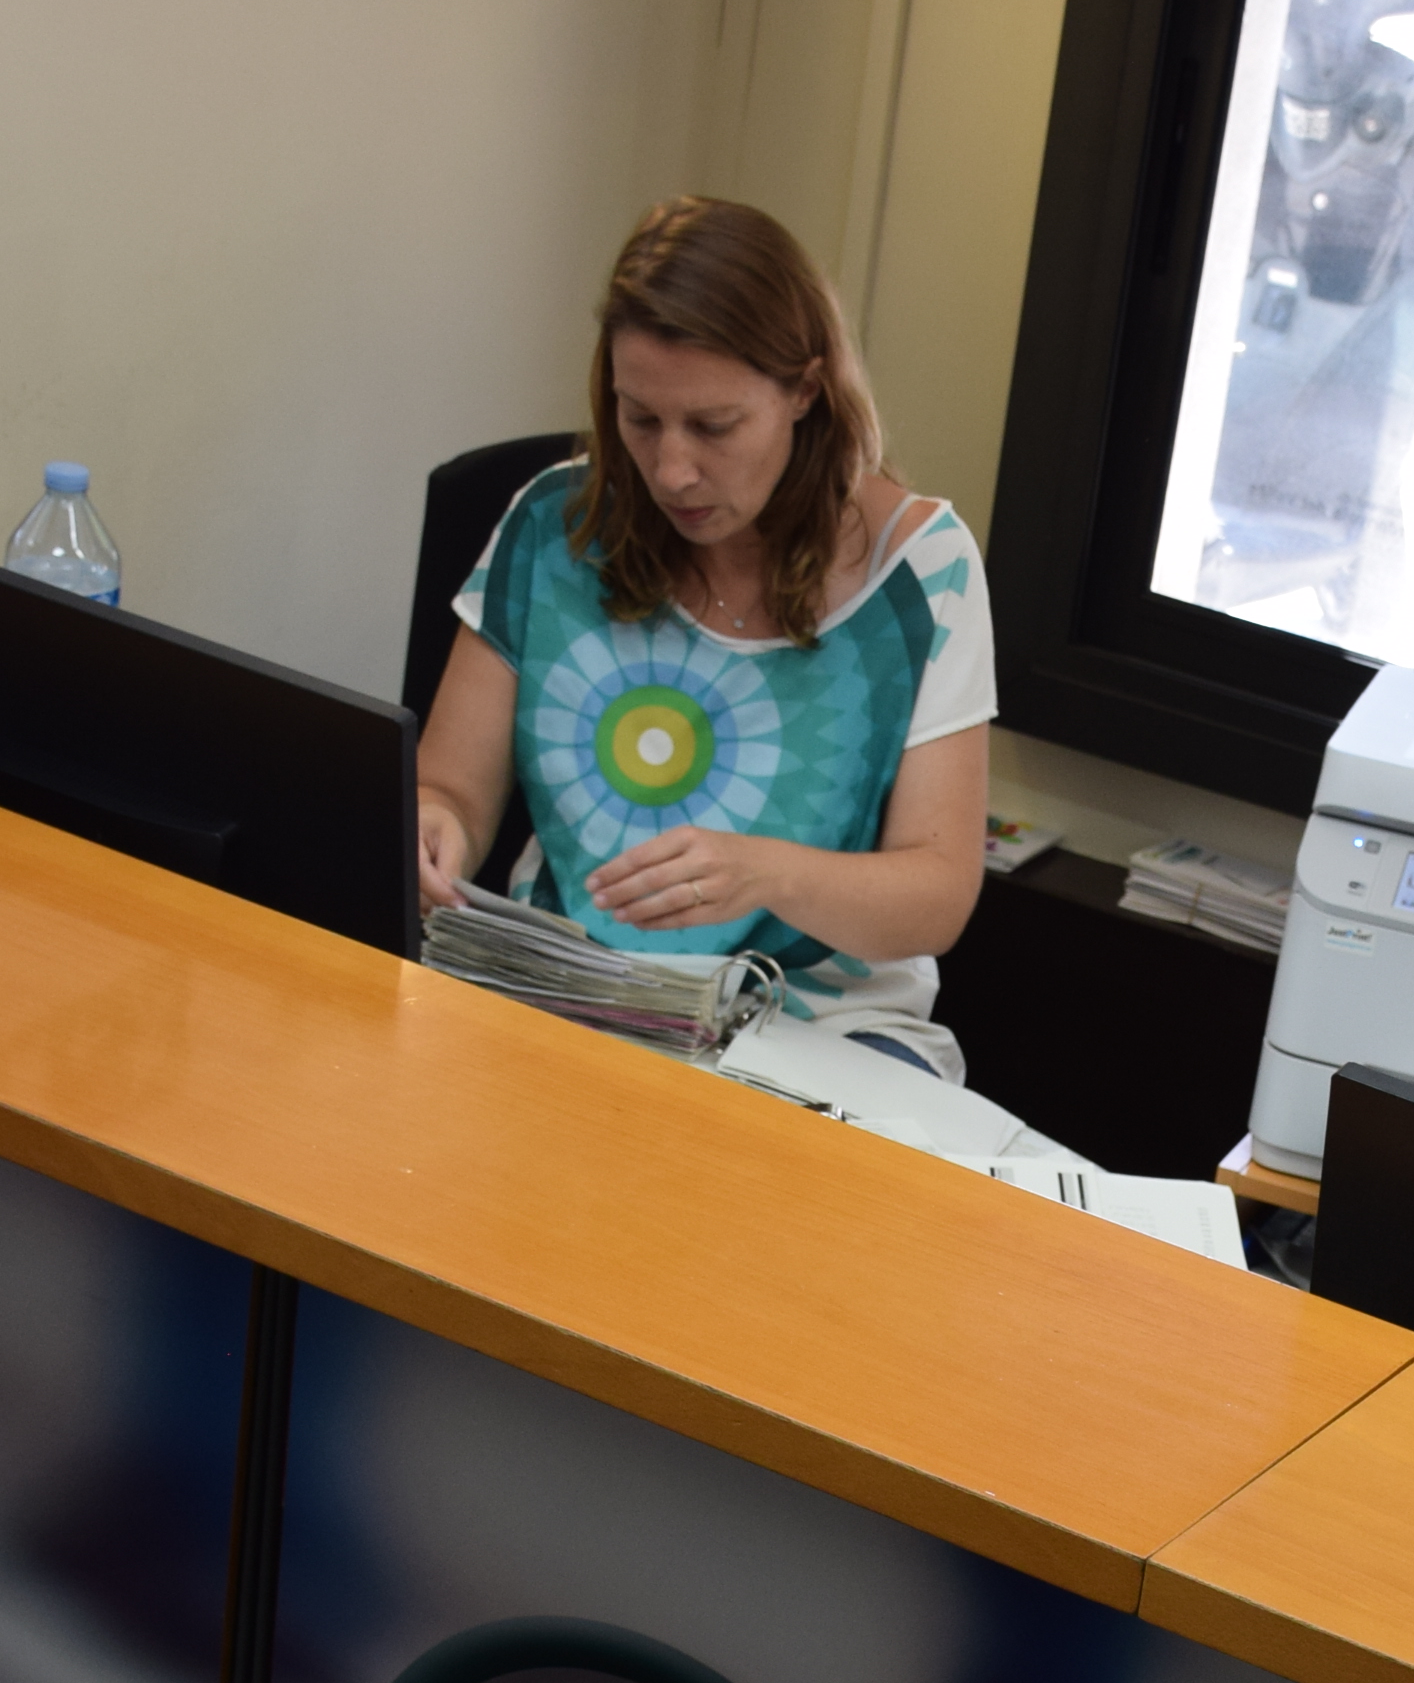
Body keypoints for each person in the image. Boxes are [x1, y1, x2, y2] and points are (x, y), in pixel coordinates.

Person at [416, 196, 993, 1074]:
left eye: (714, 427)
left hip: (819, 1035)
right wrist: (435, 828)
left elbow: (938, 894)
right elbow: (450, 790)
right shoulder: (553, 524)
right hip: (571, 998)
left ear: (804, 390)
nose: (672, 470)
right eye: (640, 419)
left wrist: (767, 874)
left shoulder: (922, 569)